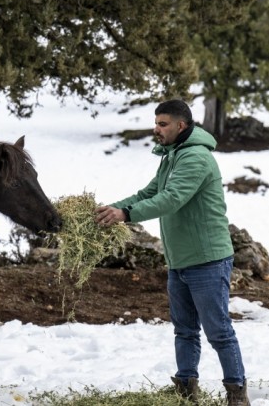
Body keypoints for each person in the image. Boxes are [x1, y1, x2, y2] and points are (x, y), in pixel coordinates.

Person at [95, 99, 249, 405]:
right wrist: (114, 209)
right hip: (180, 259)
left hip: (207, 259)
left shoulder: (195, 158)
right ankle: (186, 388)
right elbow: (149, 193)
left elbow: (171, 199)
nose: (156, 129)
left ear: (181, 125)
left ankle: (237, 394)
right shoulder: (172, 156)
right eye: (156, 123)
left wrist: (126, 215)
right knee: (184, 330)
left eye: (162, 124)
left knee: (218, 331)